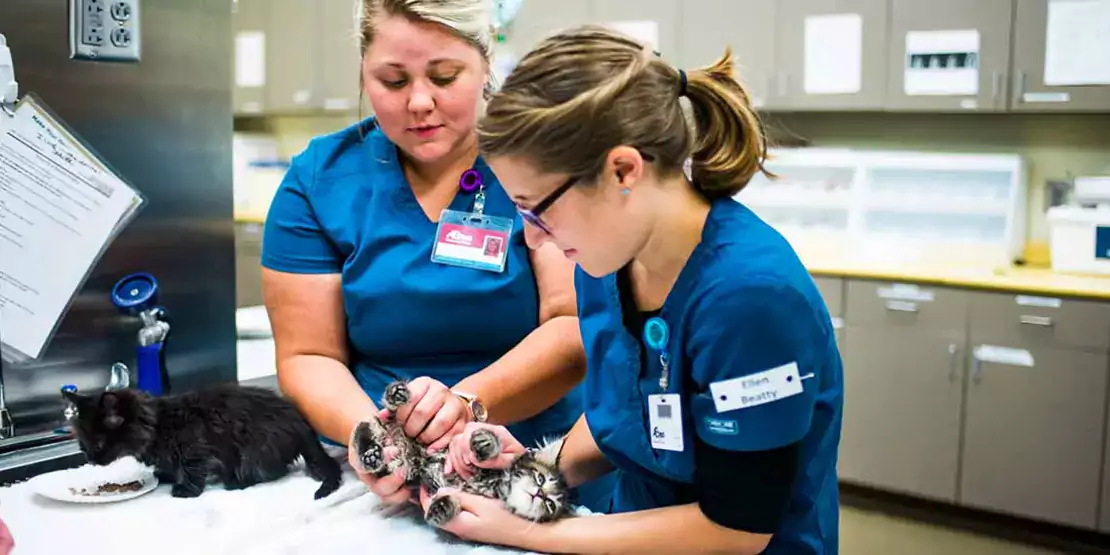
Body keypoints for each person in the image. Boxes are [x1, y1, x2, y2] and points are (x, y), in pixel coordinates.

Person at [421, 25, 843, 554]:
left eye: (537, 209)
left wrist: (523, 531)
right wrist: (536, 472)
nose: (530, 236)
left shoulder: (750, 299)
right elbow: (626, 416)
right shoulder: (605, 259)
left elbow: (738, 528)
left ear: (623, 170)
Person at [260, 0, 604, 510]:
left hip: (539, 464)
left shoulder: (538, 161)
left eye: (444, 76)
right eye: (393, 82)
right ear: (362, 73)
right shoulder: (320, 179)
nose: (419, 102)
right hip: (383, 478)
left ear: (486, 67)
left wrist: (465, 404)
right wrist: (376, 441)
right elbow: (308, 354)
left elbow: (572, 324)